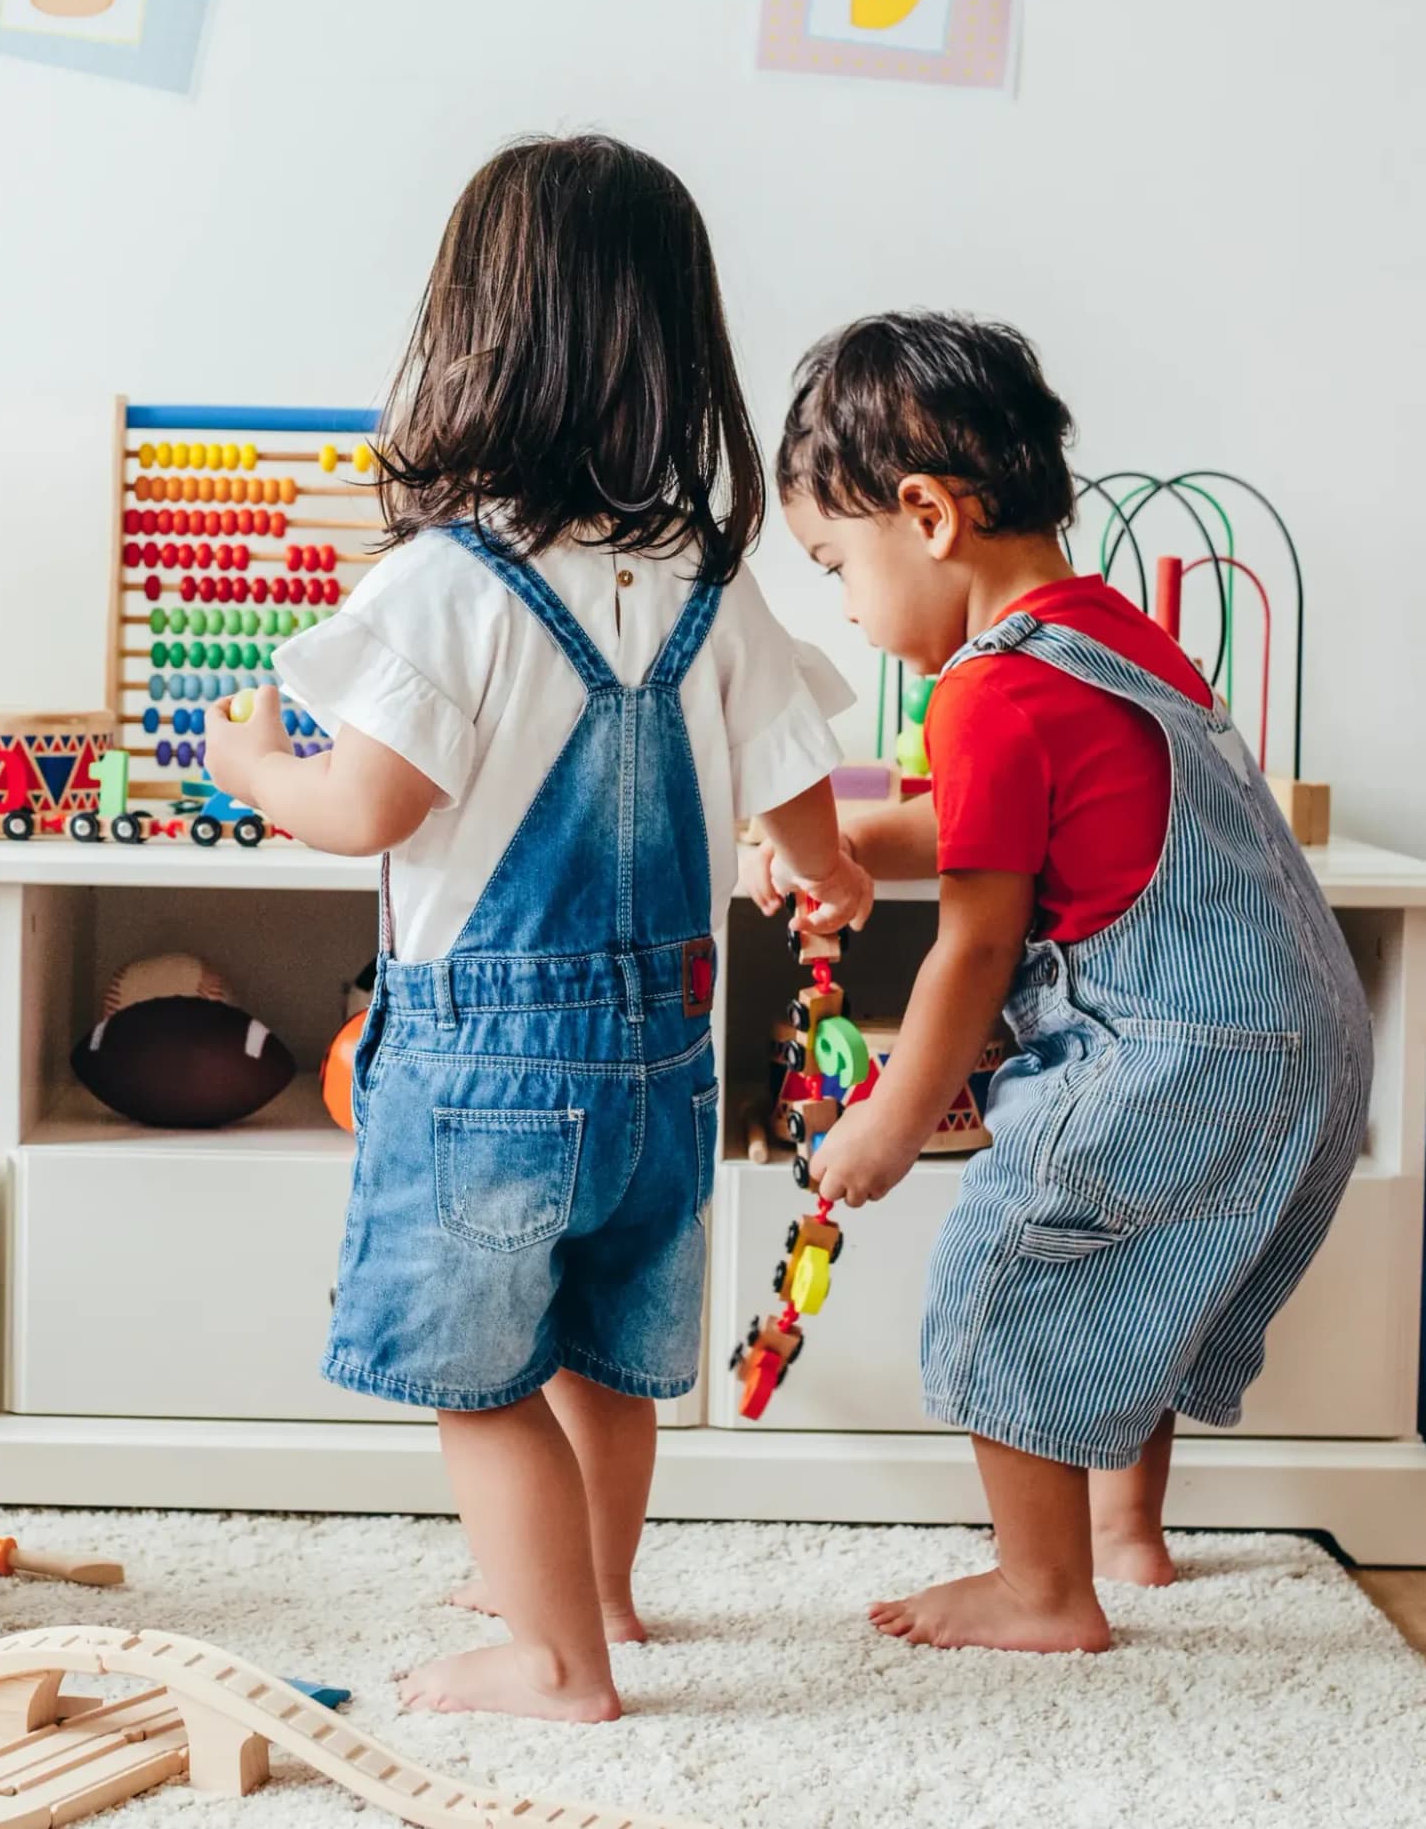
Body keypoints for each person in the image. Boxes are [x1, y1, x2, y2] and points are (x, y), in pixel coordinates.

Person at [207, 133, 870, 1721]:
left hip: (490, 1064)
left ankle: (555, 1660)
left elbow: (369, 805)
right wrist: (823, 877)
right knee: (603, 1351)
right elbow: (803, 803)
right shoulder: (710, 578)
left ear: (479, 341)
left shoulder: (449, 583)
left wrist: (254, 769)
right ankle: (603, 1595)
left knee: (483, 1378)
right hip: (666, 1054)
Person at [764, 311, 1371, 1652]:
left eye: (837, 567)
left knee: (1012, 1269)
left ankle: (1042, 1591)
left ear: (927, 516)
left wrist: (891, 1119)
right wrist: (850, 845)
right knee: (1132, 1275)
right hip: (1305, 1037)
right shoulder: (1115, 638)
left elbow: (976, 944)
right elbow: (1003, 822)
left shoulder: (983, 694)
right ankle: (1125, 1534)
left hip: (1180, 1046)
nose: (848, 611)